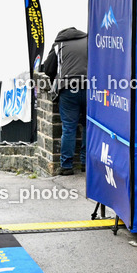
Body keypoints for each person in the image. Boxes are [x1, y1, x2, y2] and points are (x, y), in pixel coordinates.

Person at [40, 27, 88, 176]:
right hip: (90, 87)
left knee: (69, 128)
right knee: (89, 126)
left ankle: (66, 166)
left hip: (67, 89)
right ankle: (86, 163)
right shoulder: (89, 41)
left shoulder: (58, 45)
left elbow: (48, 70)